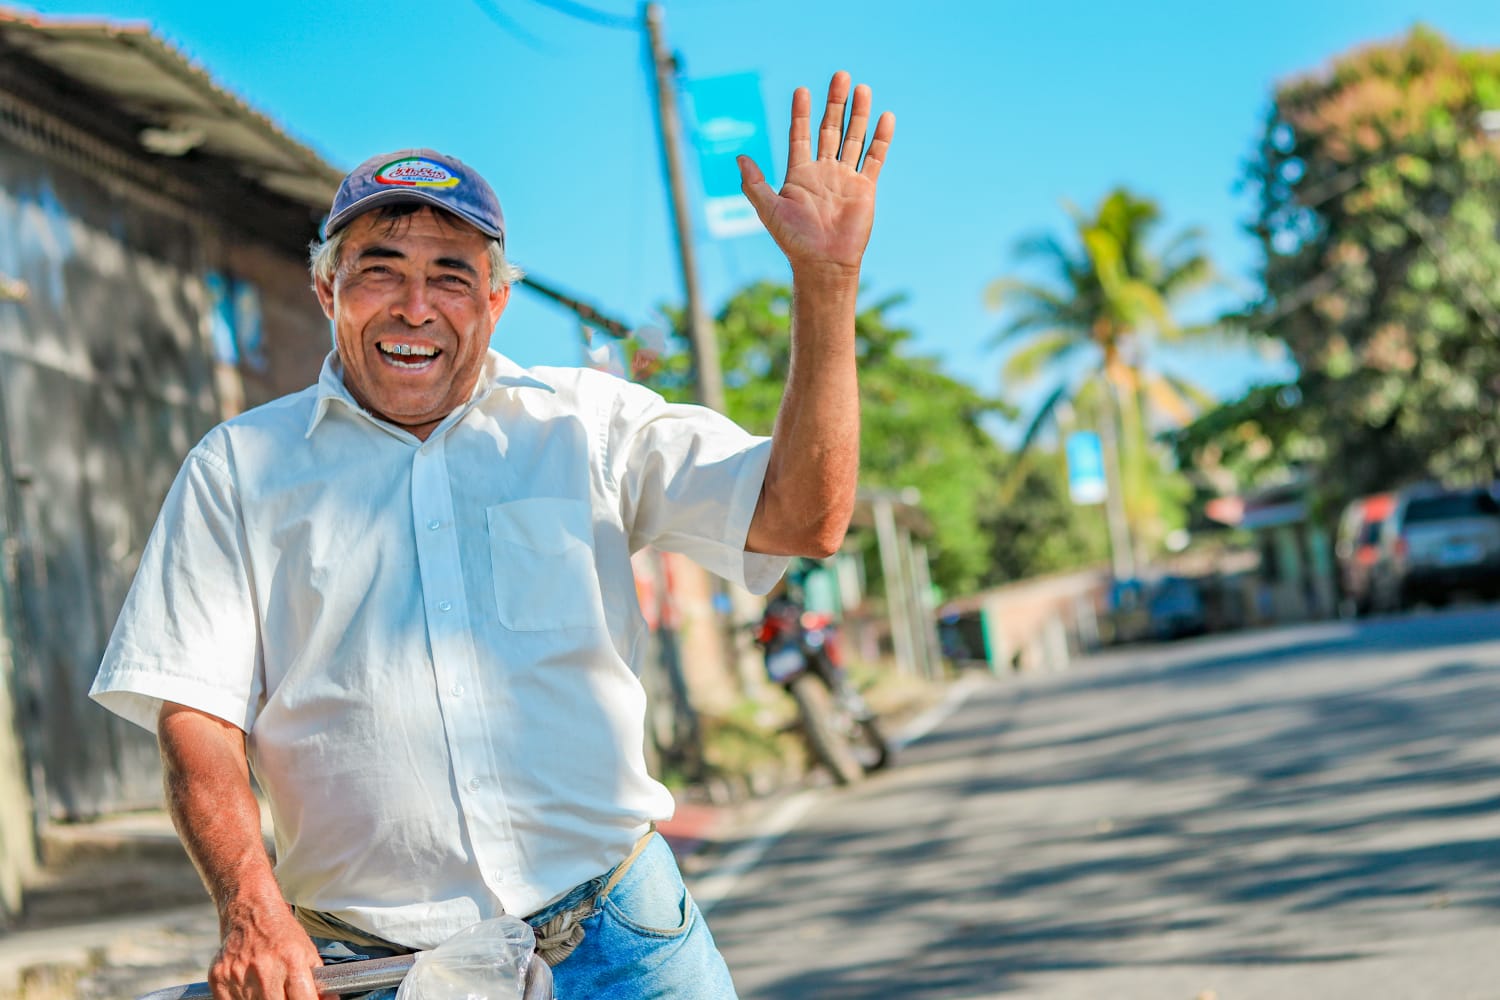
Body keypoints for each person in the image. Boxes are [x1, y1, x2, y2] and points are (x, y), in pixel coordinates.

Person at [90, 72, 893, 1000]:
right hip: (374, 967)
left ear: (496, 302)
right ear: (325, 290)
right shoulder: (237, 470)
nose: (414, 305)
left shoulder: (587, 425)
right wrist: (249, 903)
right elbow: (196, 713)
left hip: (622, 942)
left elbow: (803, 518)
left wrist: (825, 283)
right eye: (380, 269)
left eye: (451, 276)